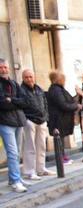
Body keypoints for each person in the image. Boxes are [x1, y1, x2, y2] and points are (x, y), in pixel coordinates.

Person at [19, 69, 53, 180]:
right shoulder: (21, 90)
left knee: (41, 145)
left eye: (31, 76)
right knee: (30, 147)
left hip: (42, 120)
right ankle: (29, 171)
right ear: (23, 78)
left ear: (34, 77)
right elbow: (20, 106)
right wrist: (25, 120)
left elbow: (45, 103)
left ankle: (41, 169)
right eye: (26, 77)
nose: (29, 79)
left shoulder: (39, 89)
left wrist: (46, 117)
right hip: (29, 121)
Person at [0, 58, 28, 193]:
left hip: (18, 121)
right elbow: (2, 104)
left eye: (5, 67)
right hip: (5, 122)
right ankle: (16, 181)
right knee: (12, 153)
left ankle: (14, 179)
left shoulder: (14, 83)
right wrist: (14, 102)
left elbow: (25, 101)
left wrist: (12, 100)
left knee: (16, 153)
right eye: (1, 68)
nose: (4, 70)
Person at [46, 70, 79, 168]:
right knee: (59, 138)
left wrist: (77, 97)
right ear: (58, 80)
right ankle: (60, 158)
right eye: (63, 79)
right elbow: (63, 104)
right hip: (58, 119)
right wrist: (75, 105)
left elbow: (68, 101)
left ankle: (63, 156)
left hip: (61, 119)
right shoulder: (56, 90)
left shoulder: (58, 89)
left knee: (61, 138)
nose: (64, 81)